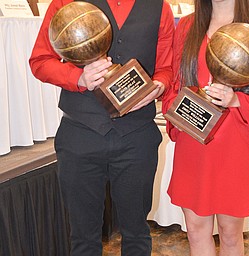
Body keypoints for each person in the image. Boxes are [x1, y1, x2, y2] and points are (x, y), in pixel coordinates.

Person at [29, 0, 174, 255]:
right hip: (80, 134)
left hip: (136, 137)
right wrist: (78, 78)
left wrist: (159, 87)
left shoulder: (159, 7)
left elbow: (166, 67)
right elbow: (40, 60)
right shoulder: (66, 3)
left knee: (137, 233)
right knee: (83, 237)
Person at [162, 0, 249, 255]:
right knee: (195, 230)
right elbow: (175, 82)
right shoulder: (187, 27)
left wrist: (236, 99)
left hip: (235, 141)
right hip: (194, 141)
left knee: (230, 235)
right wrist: (176, 111)